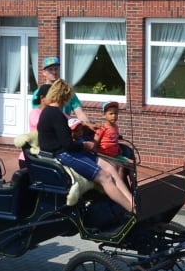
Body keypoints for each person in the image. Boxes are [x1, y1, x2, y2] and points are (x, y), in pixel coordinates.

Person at [36, 79, 136, 215]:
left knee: (110, 168)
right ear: (64, 96)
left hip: (66, 150)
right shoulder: (56, 114)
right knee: (105, 177)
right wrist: (84, 145)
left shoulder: (50, 112)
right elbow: (67, 144)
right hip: (62, 153)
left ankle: (132, 202)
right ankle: (131, 209)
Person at [30, 56, 95, 128]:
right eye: (50, 69)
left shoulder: (67, 91)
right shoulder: (39, 93)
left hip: (65, 128)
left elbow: (79, 113)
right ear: (44, 72)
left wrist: (89, 126)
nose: (54, 72)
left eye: (56, 69)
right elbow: (37, 116)